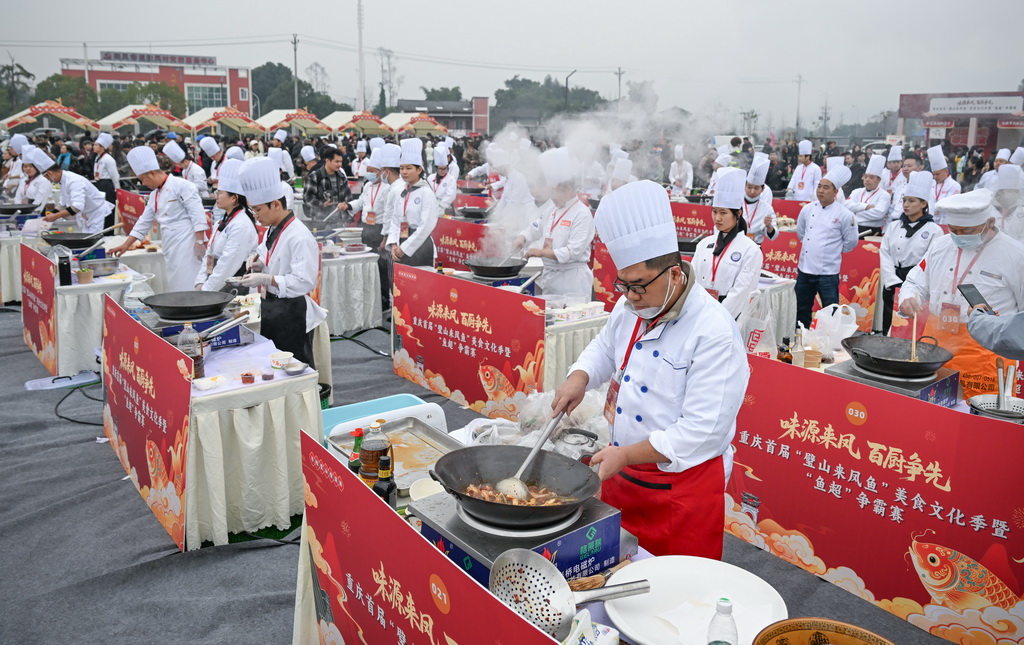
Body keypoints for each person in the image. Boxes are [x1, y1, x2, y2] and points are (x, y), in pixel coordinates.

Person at [551, 180, 748, 558]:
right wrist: (580, 375)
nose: (629, 296)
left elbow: (702, 431)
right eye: (623, 284)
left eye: (638, 286)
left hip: (682, 489)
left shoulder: (714, 331)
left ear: (674, 274)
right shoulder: (634, 306)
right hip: (622, 474)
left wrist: (626, 455)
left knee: (674, 596)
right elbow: (605, 347)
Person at [899, 189, 1024, 398]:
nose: (958, 236)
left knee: (976, 417)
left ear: (989, 222)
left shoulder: (1015, 255)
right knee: (929, 408)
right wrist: (909, 297)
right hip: (935, 345)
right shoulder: (940, 245)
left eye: (967, 231)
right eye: (954, 229)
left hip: (984, 350)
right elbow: (915, 281)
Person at [237, 157, 326, 367]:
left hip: (292, 310)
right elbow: (270, 257)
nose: (255, 216)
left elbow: (304, 281)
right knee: (272, 361)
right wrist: (259, 264)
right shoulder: (272, 227)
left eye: (258, 210)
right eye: (253, 210)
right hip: (272, 305)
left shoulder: (299, 235)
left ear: (276, 204)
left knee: (293, 364)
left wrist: (267, 278)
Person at [110, 146, 208, 292]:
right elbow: (144, 221)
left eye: (143, 179)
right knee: (175, 280)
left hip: (187, 240)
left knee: (189, 279)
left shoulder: (182, 185)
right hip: (170, 241)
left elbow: (198, 214)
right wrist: (126, 245)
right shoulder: (155, 195)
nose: (143, 183)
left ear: (152, 173)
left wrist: (200, 241)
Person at [513, 147, 595, 301]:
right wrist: (522, 238)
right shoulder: (552, 208)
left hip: (573, 280)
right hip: (551, 277)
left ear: (568, 188)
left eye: (554, 191)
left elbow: (574, 251)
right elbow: (534, 228)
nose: (551, 196)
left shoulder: (582, 213)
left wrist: (541, 252)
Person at [693, 168, 763, 319]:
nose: (717, 218)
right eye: (714, 211)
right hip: (699, 312)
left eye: (723, 213)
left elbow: (741, 292)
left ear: (737, 214)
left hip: (729, 317)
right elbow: (692, 280)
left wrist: (718, 317)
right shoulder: (704, 244)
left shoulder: (750, 250)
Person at [794, 165, 858, 329]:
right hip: (804, 270)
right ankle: (801, 339)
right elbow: (801, 233)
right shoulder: (807, 209)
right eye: (819, 186)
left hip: (827, 273)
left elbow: (850, 243)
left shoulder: (844, 214)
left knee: (831, 312)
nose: (821, 190)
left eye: (826, 187)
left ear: (836, 192)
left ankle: (830, 345)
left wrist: (831, 252)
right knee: (801, 309)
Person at [878, 171, 942, 335]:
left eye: (911, 201)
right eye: (904, 200)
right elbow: (884, 253)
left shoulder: (934, 230)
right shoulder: (894, 226)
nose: (906, 204)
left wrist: (914, 282)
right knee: (889, 318)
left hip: (918, 279)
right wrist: (891, 279)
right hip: (893, 276)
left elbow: (931, 260)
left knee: (913, 323)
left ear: (923, 204)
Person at [194, 159, 259, 292]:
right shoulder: (222, 222)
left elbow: (228, 264)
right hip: (217, 283)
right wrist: (200, 281)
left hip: (234, 288)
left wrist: (207, 290)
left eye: (220, 193)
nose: (216, 196)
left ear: (233, 198)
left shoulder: (241, 225)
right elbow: (209, 254)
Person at [34, 148, 113, 235]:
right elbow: (63, 203)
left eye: (47, 178)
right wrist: (52, 214)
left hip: (98, 214)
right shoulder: (62, 180)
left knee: (97, 242)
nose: (49, 181)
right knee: (87, 240)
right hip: (87, 214)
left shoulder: (74, 181)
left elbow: (76, 207)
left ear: (50, 173)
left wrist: (55, 216)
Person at [386, 138, 438, 267]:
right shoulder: (402, 191)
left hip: (419, 245)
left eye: (408, 168)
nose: (404, 172)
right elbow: (395, 219)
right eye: (402, 168)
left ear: (419, 170)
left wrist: (405, 248)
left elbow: (426, 226)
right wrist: (393, 244)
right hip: (400, 241)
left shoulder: (426, 192)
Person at [845, 154, 892, 236]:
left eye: (871, 177)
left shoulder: (884, 195)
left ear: (879, 179)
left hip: (873, 231)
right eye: (866, 177)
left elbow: (878, 214)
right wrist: (865, 207)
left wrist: (855, 212)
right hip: (854, 229)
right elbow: (846, 206)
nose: (867, 180)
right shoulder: (856, 191)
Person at [302, 147, 349, 222]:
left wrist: (346, 205)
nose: (340, 164)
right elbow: (307, 198)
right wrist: (322, 204)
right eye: (337, 162)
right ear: (327, 160)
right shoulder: (314, 176)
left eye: (341, 162)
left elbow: (348, 196)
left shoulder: (341, 177)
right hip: (320, 220)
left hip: (339, 220)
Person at [742, 153, 778, 246]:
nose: (752, 191)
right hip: (737, 245)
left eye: (756, 188)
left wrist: (769, 226)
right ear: (744, 186)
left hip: (756, 247)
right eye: (749, 187)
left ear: (762, 189)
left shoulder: (767, 208)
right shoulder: (737, 203)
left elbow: (773, 236)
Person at [927, 145, 961, 224]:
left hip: (945, 221)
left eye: (937, 174)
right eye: (933, 174)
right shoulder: (931, 183)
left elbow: (948, 204)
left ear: (946, 171)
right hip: (930, 220)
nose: (935, 177)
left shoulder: (954, 186)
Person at [14, 149, 53, 213]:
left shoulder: (44, 180)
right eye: (25, 166)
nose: (28, 169)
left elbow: (40, 200)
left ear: (37, 167)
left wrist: (33, 212)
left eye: (31, 166)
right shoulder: (23, 180)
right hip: (23, 209)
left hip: (39, 211)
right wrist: (17, 209)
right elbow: (18, 197)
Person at [91, 132, 119, 219]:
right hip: (99, 183)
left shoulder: (108, 159)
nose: (93, 147)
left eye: (96, 145)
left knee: (108, 207)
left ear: (102, 147)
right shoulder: (97, 157)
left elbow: (114, 175)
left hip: (107, 184)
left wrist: (117, 189)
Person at [996, 164, 1024, 242]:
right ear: (1000, 192)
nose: (1013, 195)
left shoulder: (1021, 210)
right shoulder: (991, 210)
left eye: (1016, 192)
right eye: (1010, 191)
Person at [427, 143, 457, 214]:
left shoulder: (451, 179)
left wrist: (440, 206)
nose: (443, 171)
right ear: (436, 168)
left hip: (444, 208)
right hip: (430, 207)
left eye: (445, 169)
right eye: (440, 169)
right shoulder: (430, 177)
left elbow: (450, 196)